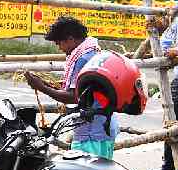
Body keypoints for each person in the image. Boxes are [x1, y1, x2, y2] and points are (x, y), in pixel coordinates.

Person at [25, 16, 119, 159]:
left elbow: (74, 96)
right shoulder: (92, 52)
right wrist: (45, 84)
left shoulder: (82, 59)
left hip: (92, 132)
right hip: (101, 127)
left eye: (59, 43)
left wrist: (41, 87)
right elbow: (83, 89)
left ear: (70, 39)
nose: (59, 48)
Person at [151, 17, 178, 170]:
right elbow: (163, 45)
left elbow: (173, 50)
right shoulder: (177, 22)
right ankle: (169, 163)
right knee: (172, 121)